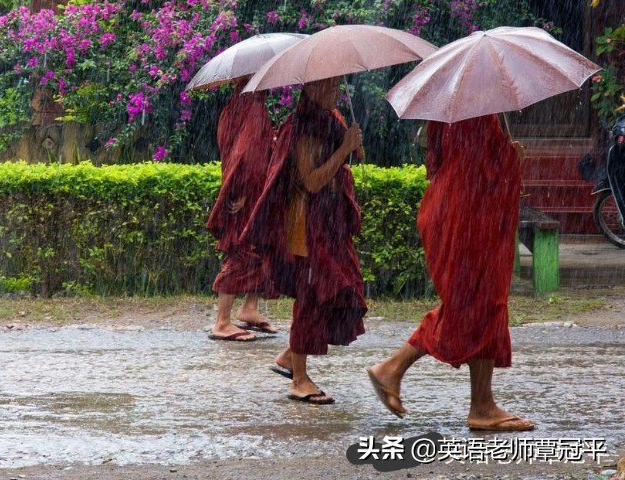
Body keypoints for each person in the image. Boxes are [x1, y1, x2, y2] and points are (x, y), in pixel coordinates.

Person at [366, 115, 534, 432]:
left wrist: (505, 156)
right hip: (468, 218)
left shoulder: (449, 114)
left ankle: (478, 401)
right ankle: (473, 402)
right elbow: (481, 171)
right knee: (481, 303)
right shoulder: (478, 114)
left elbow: (443, 162)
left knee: (477, 303)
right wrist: (513, 159)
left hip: (450, 208)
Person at [242, 77, 367, 403]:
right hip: (306, 228)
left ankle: (288, 356)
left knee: (343, 291)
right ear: (311, 89)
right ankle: (299, 380)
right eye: (330, 88)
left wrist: (352, 146)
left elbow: (342, 164)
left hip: (329, 224)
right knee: (312, 297)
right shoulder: (302, 128)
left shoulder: (331, 120)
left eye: (340, 87)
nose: (336, 94)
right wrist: (343, 149)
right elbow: (311, 182)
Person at [207, 78, 277, 341]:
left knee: (259, 249)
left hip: (236, 187)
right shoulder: (254, 108)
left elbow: (233, 149)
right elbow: (248, 154)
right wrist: (246, 190)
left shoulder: (233, 106)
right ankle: (222, 322)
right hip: (248, 193)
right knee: (241, 252)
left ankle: (250, 307)